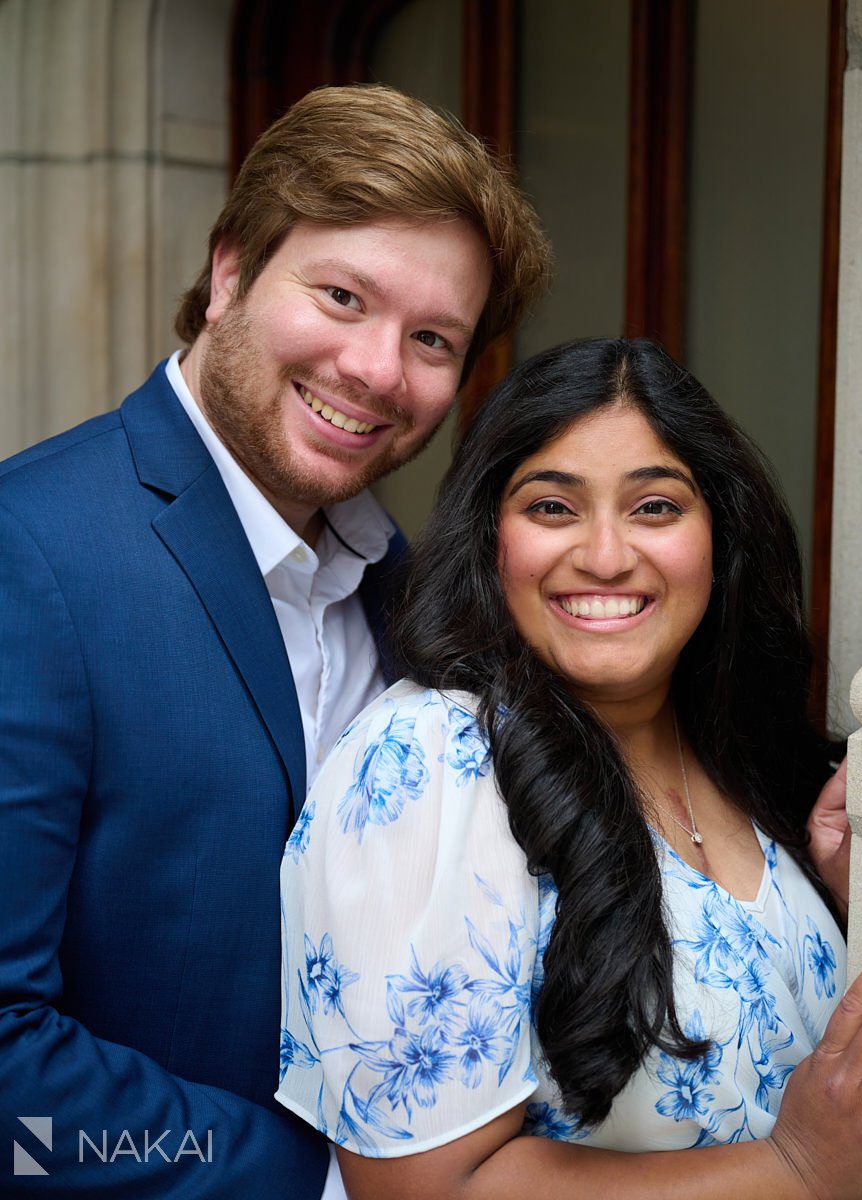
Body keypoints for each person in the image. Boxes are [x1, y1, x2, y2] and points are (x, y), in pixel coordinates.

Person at [0, 84, 550, 1197]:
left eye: (431, 339)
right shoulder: (31, 553)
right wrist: (320, 1183)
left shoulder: (419, 601)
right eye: (342, 295)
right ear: (230, 274)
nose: (377, 370)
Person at [277, 337, 862, 1200]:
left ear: (719, 535)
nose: (603, 554)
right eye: (552, 507)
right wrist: (798, 1172)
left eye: (655, 508)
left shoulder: (747, 760)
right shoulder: (430, 763)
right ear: (490, 540)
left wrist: (852, 903)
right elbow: (427, 1188)